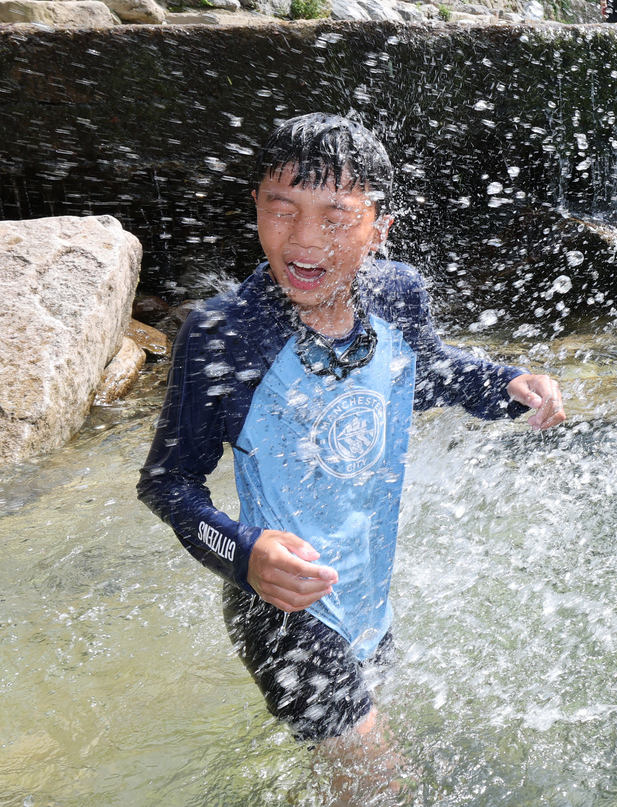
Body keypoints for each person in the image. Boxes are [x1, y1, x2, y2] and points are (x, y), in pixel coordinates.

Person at [137, 114, 566, 788]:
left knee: (351, 772)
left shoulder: (398, 295)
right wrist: (243, 551)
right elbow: (169, 481)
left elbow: (428, 372)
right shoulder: (223, 333)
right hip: (278, 605)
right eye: (282, 211)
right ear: (255, 207)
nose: (305, 240)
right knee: (382, 784)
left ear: (380, 225)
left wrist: (507, 383)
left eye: (336, 217)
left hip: (369, 606)